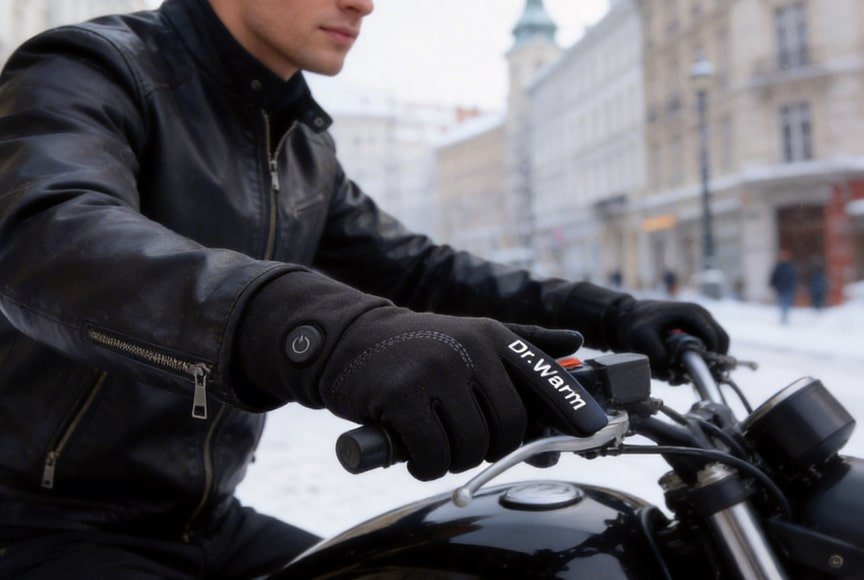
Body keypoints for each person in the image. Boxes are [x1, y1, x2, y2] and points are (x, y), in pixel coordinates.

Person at [0, 0, 729, 576]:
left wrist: (609, 312)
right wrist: (323, 334)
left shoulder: (300, 144)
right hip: (46, 524)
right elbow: (50, 233)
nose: (365, 4)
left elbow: (419, 270)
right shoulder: (91, 68)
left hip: (208, 521)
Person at [769, 249, 798, 324]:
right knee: (782, 302)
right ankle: (783, 317)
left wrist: (793, 286)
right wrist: (774, 284)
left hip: (788, 288)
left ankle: (785, 317)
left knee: (786, 302)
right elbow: (774, 276)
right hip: (781, 288)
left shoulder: (790, 267)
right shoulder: (779, 267)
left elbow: (793, 278)